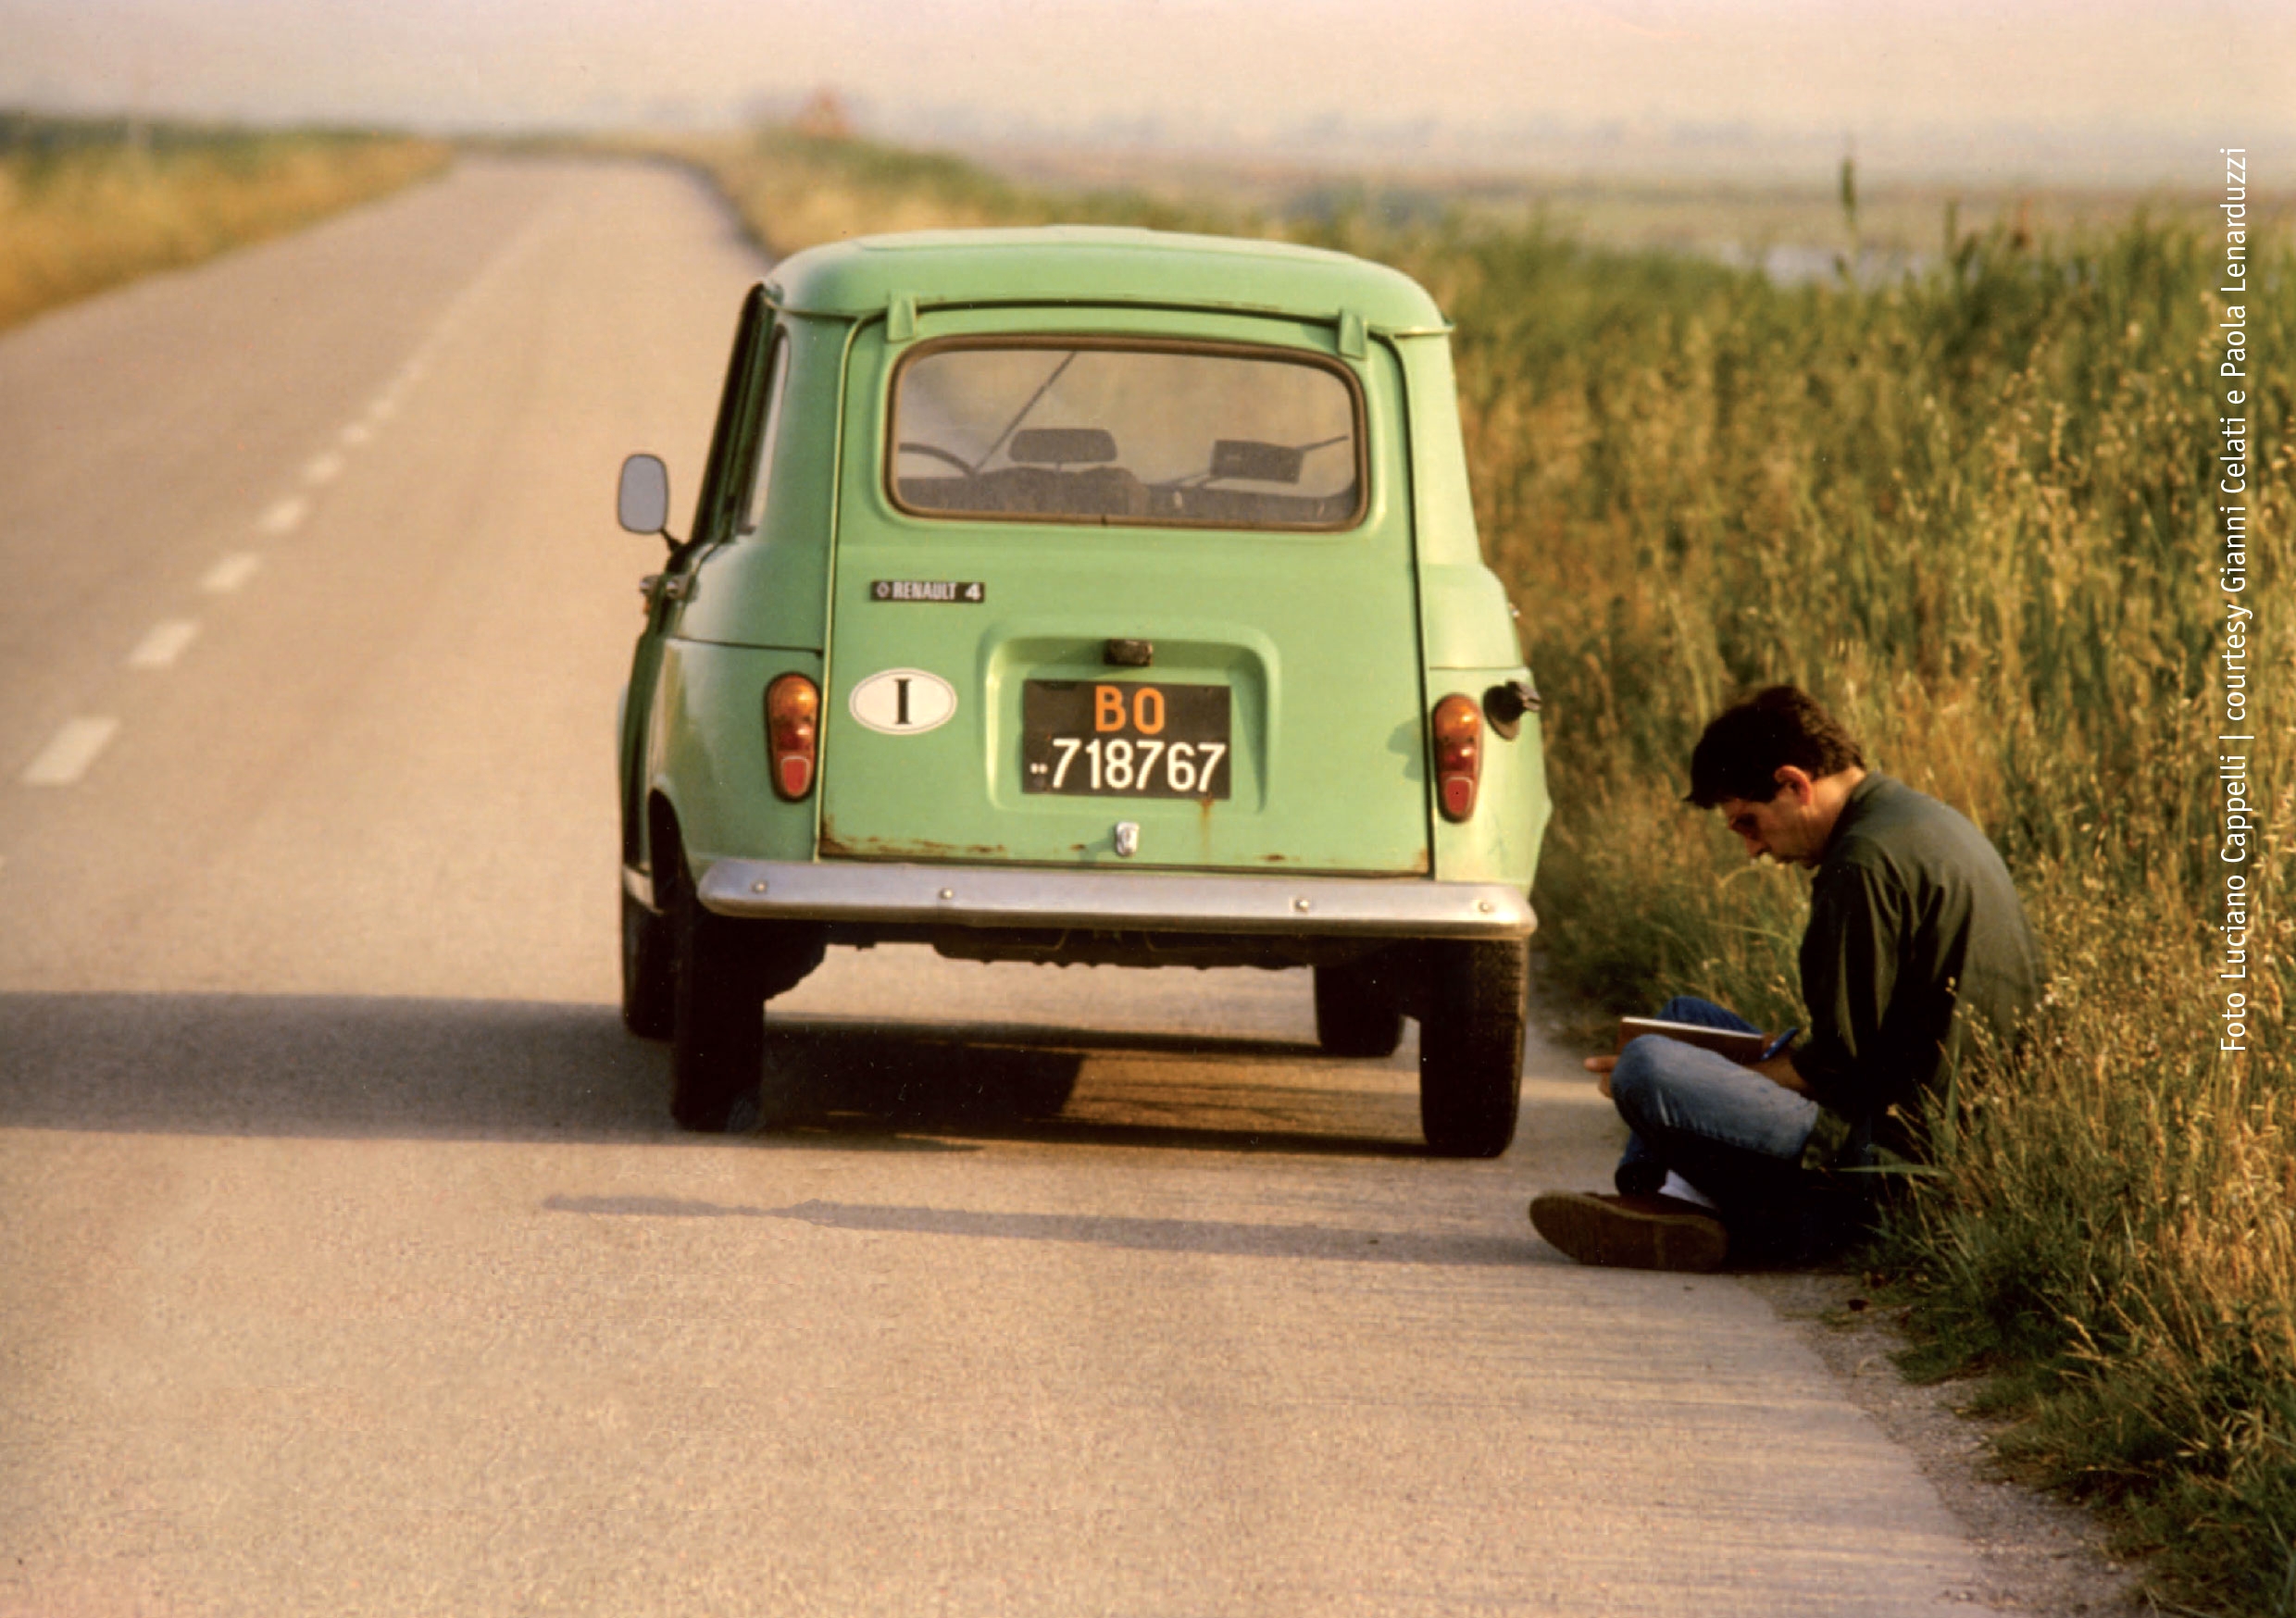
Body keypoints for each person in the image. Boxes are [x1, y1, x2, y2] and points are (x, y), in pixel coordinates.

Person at [1529, 685, 2043, 1271]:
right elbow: (1863, 1044)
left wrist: (1690, 1082)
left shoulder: (1860, 865)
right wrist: (1705, 1072)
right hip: (1912, 1105)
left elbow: (1838, 1069)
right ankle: (1671, 1201)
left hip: (1890, 1162)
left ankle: (1722, 1217)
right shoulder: (1912, 818)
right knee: (1680, 1020)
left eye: (1750, 823)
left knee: (1649, 1064)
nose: (1753, 851)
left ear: (1795, 784)